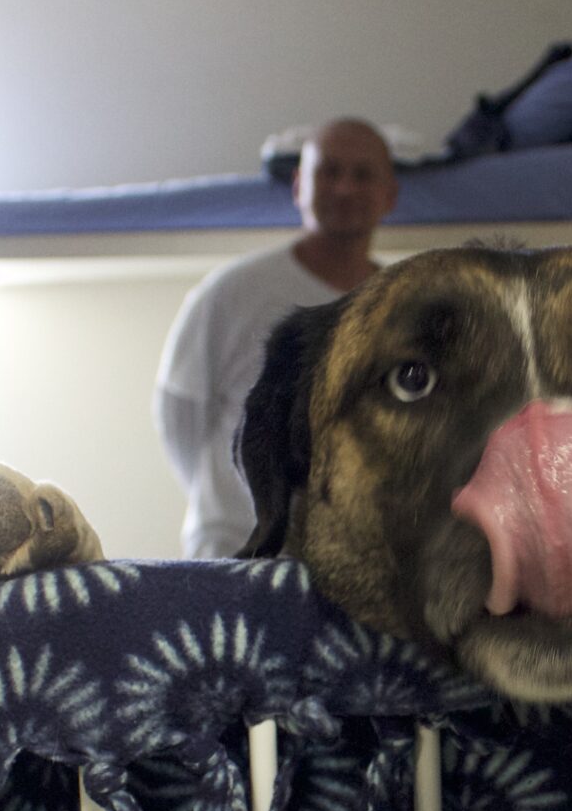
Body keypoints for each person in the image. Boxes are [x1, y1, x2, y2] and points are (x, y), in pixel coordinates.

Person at [154, 118, 399, 556]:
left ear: (390, 195)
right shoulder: (231, 292)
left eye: (362, 175)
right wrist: (227, 501)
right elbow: (180, 413)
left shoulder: (404, 307)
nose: (344, 188)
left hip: (355, 563)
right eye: (329, 172)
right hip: (231, 551)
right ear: (298, 184)